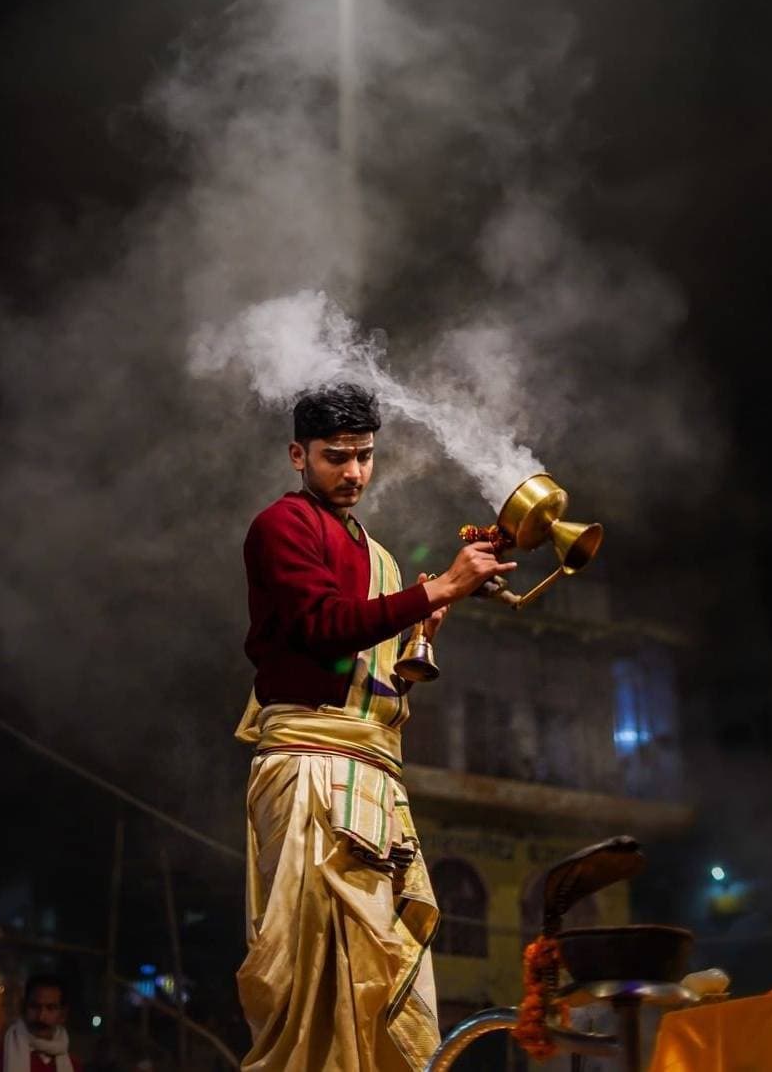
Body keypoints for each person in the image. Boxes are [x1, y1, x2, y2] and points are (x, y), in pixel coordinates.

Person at [235, 383, 516, 1071]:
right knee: (307, 986)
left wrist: (422, 617)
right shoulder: (281, 526)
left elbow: (371, 658)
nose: (354, 472)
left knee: (386, 980)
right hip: (310, 767)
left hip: (375, 781)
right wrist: (439, 588)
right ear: (298, 454)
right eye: (337, 456)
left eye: (364, 456)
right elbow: (320, 627)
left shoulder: (380, 555)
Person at [0, 976, 82, 1072]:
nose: (41, 1016)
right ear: (23, 1008)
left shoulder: (73, 1066)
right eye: (35, 1007)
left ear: (63, 1014)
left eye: (51, 1008)